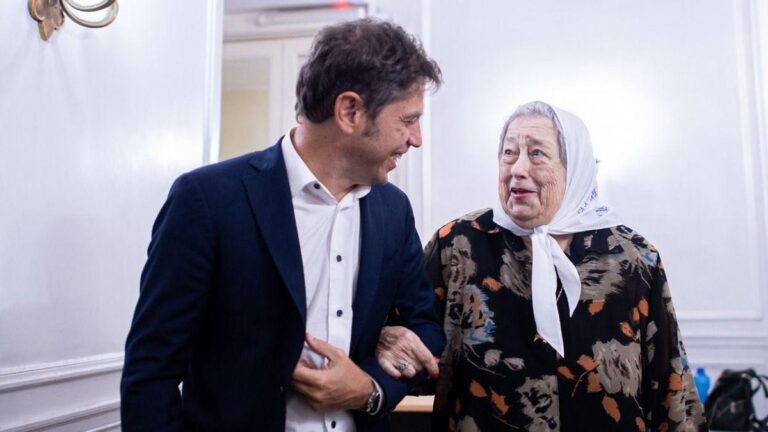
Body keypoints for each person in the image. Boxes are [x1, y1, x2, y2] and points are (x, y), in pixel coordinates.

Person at [120, 18, 445, 432]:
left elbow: (425, 327)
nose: (416, 138)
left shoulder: (394, 210)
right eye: (408, 120)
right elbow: (151, 374)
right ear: (349, 111)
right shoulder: (206, 200)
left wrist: (369, 388)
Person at [377, 101, 707, 431]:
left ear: (573, 168)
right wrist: (384, 344)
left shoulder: (633, 258)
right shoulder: (458, 245)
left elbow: (672, 393)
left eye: (536, 154)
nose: (518, 168)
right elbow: (410, 351)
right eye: (509, 153)